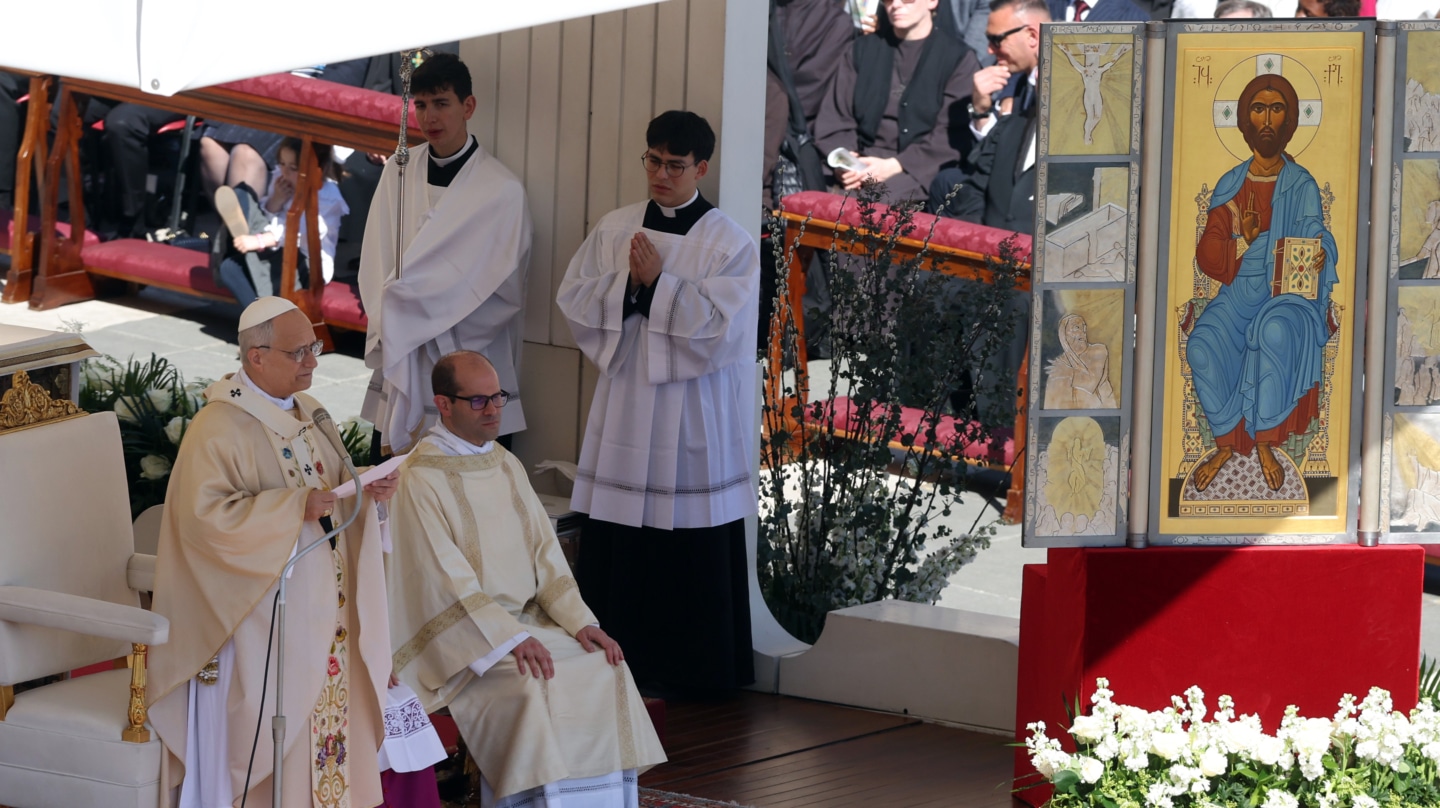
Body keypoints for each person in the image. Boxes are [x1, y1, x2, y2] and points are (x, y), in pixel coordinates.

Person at [147, 296, 398, 808]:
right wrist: (293, 508)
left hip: (324, 614)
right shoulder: (218, 427)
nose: (312, 362)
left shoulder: (311, 415)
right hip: (259, 622)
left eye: (314, 348)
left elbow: (334, 490)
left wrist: (366, 489)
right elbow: (204, 523)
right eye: (297, 352)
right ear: (256, 357)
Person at [386, 351, 666, 807]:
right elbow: (443, 579)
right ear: (444, 404)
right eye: (478, 401)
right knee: (533, 682)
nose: (493, 410)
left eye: (497, 396)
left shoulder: (504, 462)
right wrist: (509, 638)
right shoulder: (418, 477)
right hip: (468, 640)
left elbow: (546, 554)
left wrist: (580, 622)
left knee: (603, 664)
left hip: (530, 620)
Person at [557, 111, 759, 693]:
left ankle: (691, 673)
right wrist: (631, 284)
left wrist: (656, 286)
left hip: (691, 408)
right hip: (628, 398)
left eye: (674, 165)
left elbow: (724, 331)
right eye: (653, 161)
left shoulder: (729, 242)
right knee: (620, 533)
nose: (661, 174)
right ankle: (613, 664)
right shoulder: (616, 227)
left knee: (688, 534)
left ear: (701, 168)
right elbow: (575, 298)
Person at [358, 52, 531, 456]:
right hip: (405, 351)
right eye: (420, 105)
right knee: (396, 484)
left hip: (465, 354)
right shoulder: (397, 172)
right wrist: (393, 313)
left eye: (441, 103)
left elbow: (504, 291)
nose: (429, 117)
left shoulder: (500, 191)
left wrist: (420, 312)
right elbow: (376, 258)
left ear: (468, 106)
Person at [1189, 73, 1338, 493]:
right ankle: (1225, 442)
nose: (1268, 120)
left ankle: (1265, 442)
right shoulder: (1231, 184)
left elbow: (1315, 234)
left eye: (1277, 110)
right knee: (1201, 344)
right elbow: (1208, 253)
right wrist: (1243, 241)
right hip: (1239, 292)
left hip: (1287, 294)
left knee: (1273, 331)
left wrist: (1322, 251)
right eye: (1258, 109)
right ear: (1244, 120)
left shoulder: (1301, 184)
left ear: (1289, 122)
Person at [814, 0, 981, 202]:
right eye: (888, 0)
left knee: (871, 205)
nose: (896, 4)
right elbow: (836, 117)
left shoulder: (958, 59)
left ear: (932, 2)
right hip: (858, 162)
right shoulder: (861, 50)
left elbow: (950, 134)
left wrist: (896, 165)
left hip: (917, 169)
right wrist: (846, 162)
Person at [929, 0, 1048, 216]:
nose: (990, 50)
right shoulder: (1021, 81)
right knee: (945, 181)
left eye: (997, 40)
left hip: (1031, 203)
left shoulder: (1056, 82)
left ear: (1032, 36)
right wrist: (981, 110)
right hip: (1004, 185)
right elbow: (996, 153)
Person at [214, 137, 349, 307]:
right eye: (282, 163)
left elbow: (302, 233)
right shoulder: (281, 179)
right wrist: (275, 201)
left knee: (232, 265)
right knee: (242, 194)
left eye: (293, 168)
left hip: (305, 262)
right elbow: (270, 219)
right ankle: (262, 312)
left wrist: (259, 241)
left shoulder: (327, 196)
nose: (285, 172)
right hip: (274, 245)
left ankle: (265, 318)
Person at [1044, 314, 1117, 409]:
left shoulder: (1098, 350)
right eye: (1076, 327)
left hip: (1102, 413)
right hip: (1070, 416)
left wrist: (1067, 372)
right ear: (1064, 334)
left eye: (1084, 327)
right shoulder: (1059, 364)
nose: (1082, 331)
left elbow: (1091, 384)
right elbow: (1050, 404)